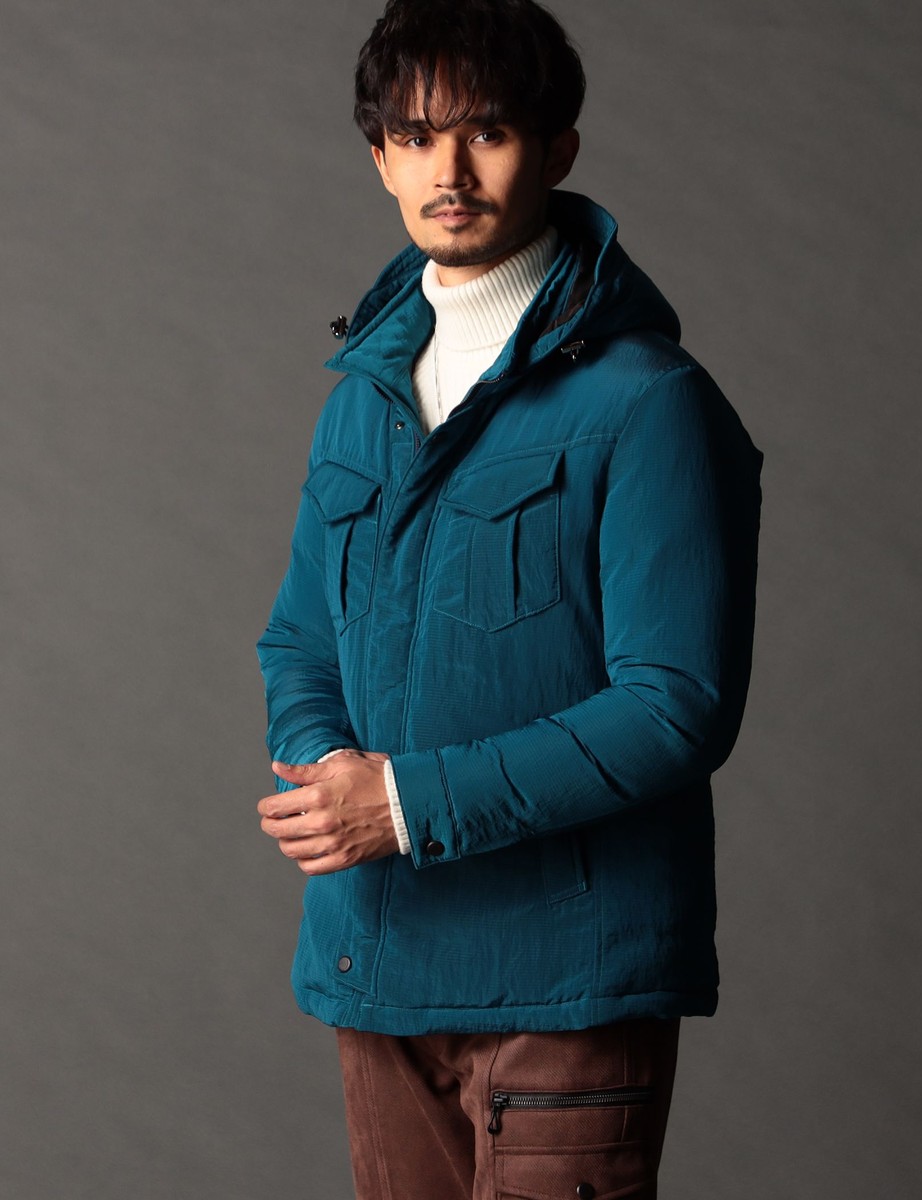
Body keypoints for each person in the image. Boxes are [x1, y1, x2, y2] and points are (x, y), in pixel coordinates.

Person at [256, 1, 762, 1195]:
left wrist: (403, 805)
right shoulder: (360, 400)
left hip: (569, 985)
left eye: (485, 132)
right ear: (380, 159)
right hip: (378, 967)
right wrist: (327, 775)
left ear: (557, 147)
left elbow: (675, 706)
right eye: (416, 137)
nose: (449, 172)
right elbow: (299, 637)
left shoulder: (647, 401)